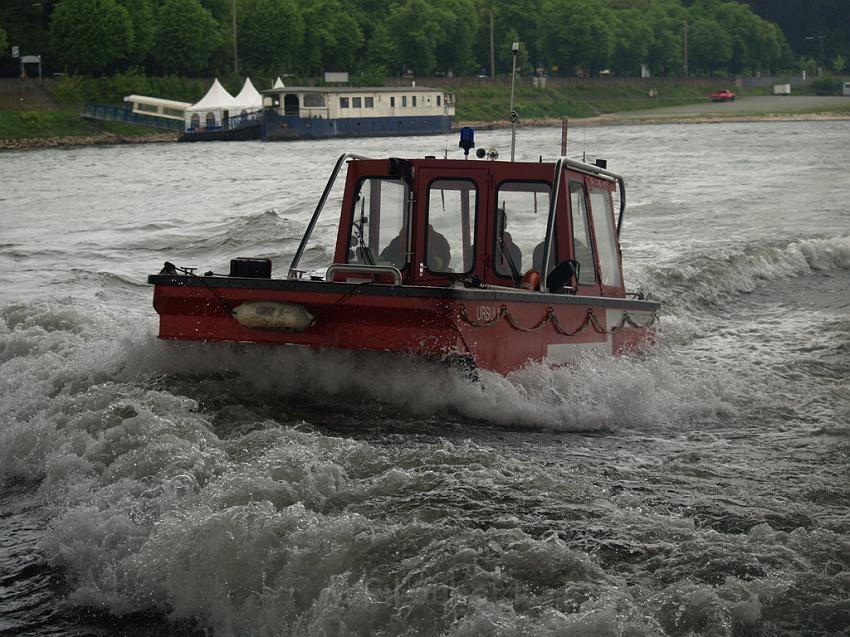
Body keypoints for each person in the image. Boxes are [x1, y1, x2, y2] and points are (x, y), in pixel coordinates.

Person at [378, 224, 451, 271]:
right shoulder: (398, 241)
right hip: (401, 279)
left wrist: (431, 262)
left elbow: (444, 260)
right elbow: (383, 259)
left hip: (430, 280)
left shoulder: (438, 240)